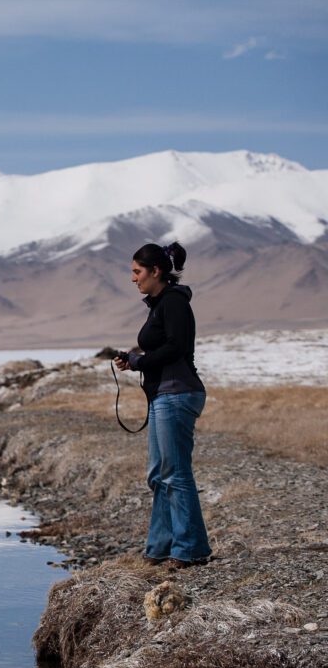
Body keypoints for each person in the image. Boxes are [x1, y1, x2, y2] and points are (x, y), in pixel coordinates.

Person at [114, 242, 210, 570]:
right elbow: (161, 348)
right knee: (159, 473)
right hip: (164, 395)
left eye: (137, 272)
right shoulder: (160, 304)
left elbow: (176, 347)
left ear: (156, 271)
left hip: (178, 393)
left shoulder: (173, 302)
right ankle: (159, 548)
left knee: (175, 473)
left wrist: (141, 362)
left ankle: (191, 549)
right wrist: (135, 359)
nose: (133, 278)